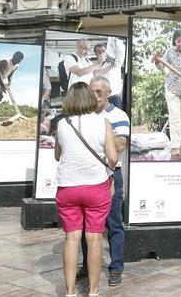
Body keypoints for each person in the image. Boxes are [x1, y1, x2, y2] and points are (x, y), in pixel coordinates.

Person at [54, 82, 118, 297]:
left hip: (68, 189)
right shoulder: (104, 122)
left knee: (71, 238)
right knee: (94, 239)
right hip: (96, 188)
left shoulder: (62, 124)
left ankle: (70, 292)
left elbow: (57, 155)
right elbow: (113, 157)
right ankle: (93, 291)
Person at [77, 76, 130, 287]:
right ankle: (87, 265)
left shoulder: (119, 115)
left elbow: (119, 146)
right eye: (93, 91)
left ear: (109, 92)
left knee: (114, 224)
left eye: (100, 91)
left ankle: (116, 267)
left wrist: (100, 136)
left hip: (110, 175)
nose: (96, 95)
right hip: (86, 174)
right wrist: (107, 138)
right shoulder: (83, 114)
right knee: (83, 226)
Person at [151, 30, 181, 156]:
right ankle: (175, 145)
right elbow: (161, 66)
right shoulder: (170, 52)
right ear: (175, 41)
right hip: (172, 89)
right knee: (175, 118)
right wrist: (156, 61)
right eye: (178, 41)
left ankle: (179, 137)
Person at [93, 40, 126, 109]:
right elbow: (97, 73)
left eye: (103, 51)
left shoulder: (116, 61)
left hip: (115, 96)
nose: (102, 53)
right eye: (99, 52)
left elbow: (121, 48)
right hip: (102, 97)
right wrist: (111, 66)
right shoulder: (95, 65)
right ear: (96, 54)